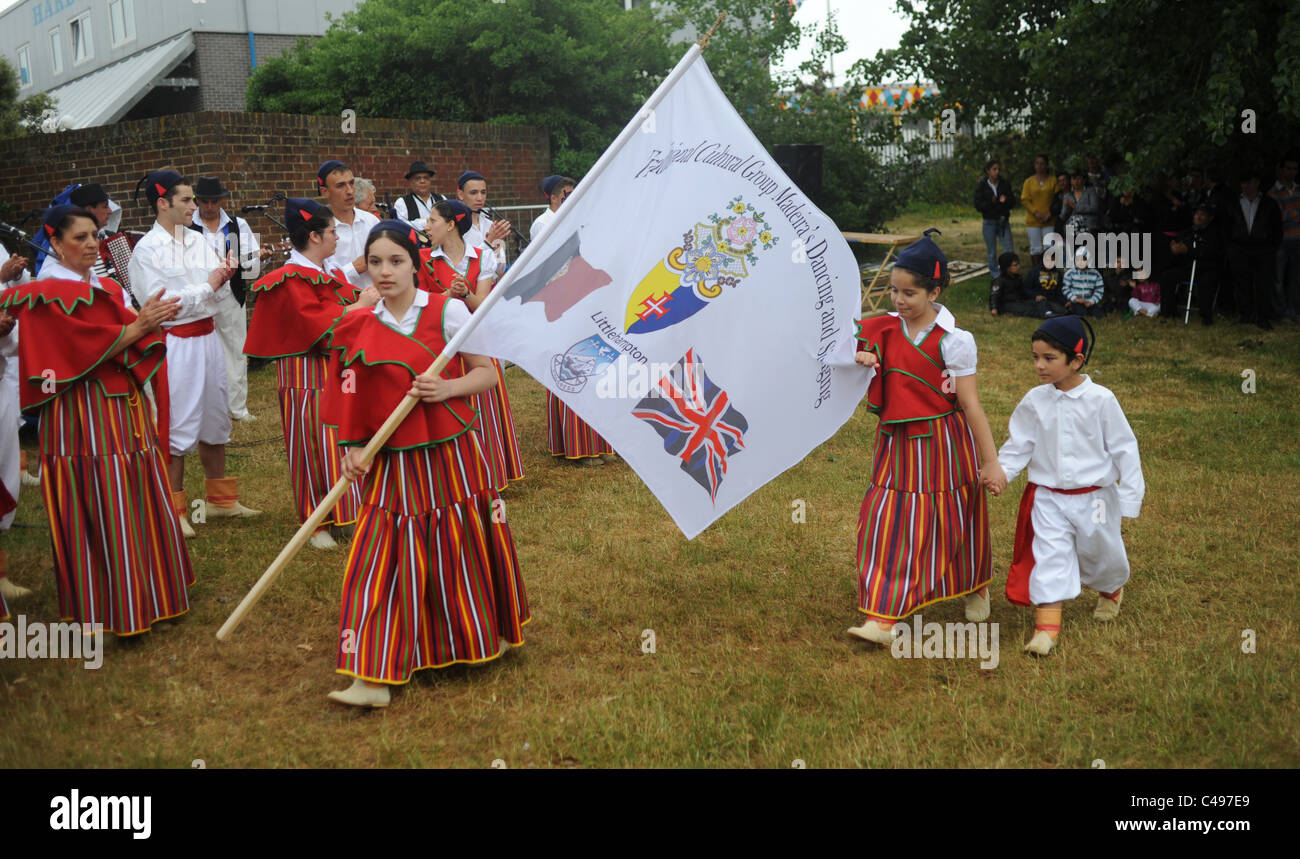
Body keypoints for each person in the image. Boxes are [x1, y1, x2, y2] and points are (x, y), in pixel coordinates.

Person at [320, 220, 529, 708]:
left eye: (396, 261)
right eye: (375, 262)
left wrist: (446, 388)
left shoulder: (448, 312)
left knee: (459, 545)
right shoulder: (359, 324)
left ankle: (475, 636)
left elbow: (487, 376)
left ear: (416, 262)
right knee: (377, 559)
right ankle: (371, 676)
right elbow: (351, 396)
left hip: (449, 455)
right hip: (389, 462)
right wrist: (352, 447)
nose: (385, 271)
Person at [2, 205, 196, 635]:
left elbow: (128, 334)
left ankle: (153, 589)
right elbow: (75, 356)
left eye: (94, 235)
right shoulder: (47, 293)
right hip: (81, 417)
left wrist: (146, 323)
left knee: (137, 495)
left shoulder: (104, 284)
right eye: (80, 238)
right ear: (55, 243)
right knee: (103, 500)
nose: (92, 244)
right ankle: (112, 604)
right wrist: (138, 327)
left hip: (122, 407)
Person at [846, 229, 1003, 645]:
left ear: (935, 291)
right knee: (887, 519)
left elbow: (970, 405)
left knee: (956, 512)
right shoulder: (882, 328)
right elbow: (861, 347)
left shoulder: (955, 341)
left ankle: (974, 583)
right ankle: (883, 616)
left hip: (943, 442)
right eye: (894, 290)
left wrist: (990, 462)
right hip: (895, 444)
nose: (898, 300)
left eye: (910, 293)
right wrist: (863, 356)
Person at [996, 315, 1143, 656]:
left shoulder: (1102, 400)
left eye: (1049, 358)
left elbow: (1125, 447)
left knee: (1102, 554)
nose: (1039, 366)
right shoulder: (1035, 400)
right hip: (1048, 498)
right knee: (1050, 557)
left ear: (1076, 360)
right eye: (1035, 357)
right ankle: (1046, 630)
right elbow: (1021, 444)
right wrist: (1002, 472)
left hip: (1096, 499)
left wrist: (1130, 497)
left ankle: (1111, 588)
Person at [127, 169, 261, 538]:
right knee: (176, 424)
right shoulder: (146, 250)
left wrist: (220, 278)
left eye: (191, 199)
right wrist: (208, 285)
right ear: (162, 203)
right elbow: (162, 307)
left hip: (207, 336)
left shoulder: (198, 241)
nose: (193, 206)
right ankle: (174, 507)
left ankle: (220, 500)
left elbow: (213, 294)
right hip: (175, 344)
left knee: (216, 418)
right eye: (186, 200)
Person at [244, 198, 375, 549]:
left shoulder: (327, 273)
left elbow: (345, 300)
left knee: (337, 438)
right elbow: (318, 326)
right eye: (332, 231)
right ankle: (315, 521)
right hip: (304, 372)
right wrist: (360, 306)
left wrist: (366, 300)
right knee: (309, 443)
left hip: (332, 368)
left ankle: (343, 512)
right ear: (315, 236)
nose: (336, 237)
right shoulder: (288, 278)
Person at [419, 199, 524, 489]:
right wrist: (446, 295)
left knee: (484, 407)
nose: (427, 226)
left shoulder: (482, 257)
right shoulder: (424, 259)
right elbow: (422, 304)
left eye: (432, 220)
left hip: (479, 341)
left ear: (451, 225)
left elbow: (483, 307)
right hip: (444, 346)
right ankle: (460, 475)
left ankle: (490, 474)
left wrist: (464, 293)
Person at [190, 176, 261, 423]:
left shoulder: (237, 225)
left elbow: (252, 267)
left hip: (231, 293)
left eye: (214, 201)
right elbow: (181, 266)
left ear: (221, 200)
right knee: (202, 354)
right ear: (196, 200)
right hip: (200, 296)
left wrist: (254, 259)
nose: (209, 206)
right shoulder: (186, 226)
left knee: (236, 350)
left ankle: (238, 409)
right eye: (204, 201)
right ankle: (207, 409)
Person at [1226, 166, 1284, 329]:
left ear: (1257, 183)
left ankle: (1262, 317)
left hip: (1263, 249)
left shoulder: (1268, 203)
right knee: (1242, 284)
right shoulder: (1234, 203)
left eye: (1249, 183)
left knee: (1263, 284)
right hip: (1240, 248)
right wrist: (1231, 247)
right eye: (1243, 183)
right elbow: (1227, 227)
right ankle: (1245, 314)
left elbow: (1277, 228)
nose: (1246, 186)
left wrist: (1271, 246)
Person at [318, 160, 382, 290]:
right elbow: (319, 279)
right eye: (340, 186)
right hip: (343, 304)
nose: (350, 191)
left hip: (379, 302)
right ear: (325, 191)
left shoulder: (372, 221)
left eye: (351, 183)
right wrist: (354, 268)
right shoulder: (319, 230)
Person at [1159, 202, 1225, 324]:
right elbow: (1179, 245)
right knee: (1167, 276)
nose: (1199, 217)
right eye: (1197, 214)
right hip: (1188, 268)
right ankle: (1169, 311)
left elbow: (1211, 252)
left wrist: (1188, 250)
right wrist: (1175, 248)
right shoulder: (1187, 232)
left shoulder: (1214, 234)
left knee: (1207, 282)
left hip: (1206, 269)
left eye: (1203, 215)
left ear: (1209, 218)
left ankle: (1206, 316)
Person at [457, 170, 511, 280]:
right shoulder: (455, 227)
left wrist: (498, 246)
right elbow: (463, 266)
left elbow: (500, 269)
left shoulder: (490, 224)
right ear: (460, 194)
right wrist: (489, 241)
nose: (480, 198)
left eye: (483, 192)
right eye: (473, 193)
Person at [1268, 152, 1300, 322]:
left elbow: (1286, 214)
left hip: (1298, 239)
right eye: (1288, 168)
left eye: (1294, 169)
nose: (1291, 172)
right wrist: (1294, 214)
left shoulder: (1298, 189)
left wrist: (1289, 214)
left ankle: (1293, 311)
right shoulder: (1274, 192)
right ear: (1281, 170)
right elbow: (1278, 216)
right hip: (1281, 240)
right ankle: (1280, 312)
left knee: (1295, 279)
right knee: (1278, 279)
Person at [973, 159, 1016, 279]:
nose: (997, 172)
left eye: (998, 169)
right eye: (994, 169)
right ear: (988, 171)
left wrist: (1005, 200)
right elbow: (978, 205)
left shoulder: (1004, 183)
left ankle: (1009, 271)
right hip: (989, 221)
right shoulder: (982, 186)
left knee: (1008, 248)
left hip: (1003, 220)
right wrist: (990, 202)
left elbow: (1013, 201)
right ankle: (995, 274)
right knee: (992, 251)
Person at [1020, 155, 1057, 267]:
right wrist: (1035, 212)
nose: (1039, 166)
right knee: (1036, 248)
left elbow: (1058, 199)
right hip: (1033, 220)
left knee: (1049, 247)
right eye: (1037, 163)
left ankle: (1050, 270)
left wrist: (1049, 214)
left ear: (1046, 165)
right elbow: (1025, 199)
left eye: (1042, 163)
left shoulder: (1053, 180)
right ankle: (1036, 271)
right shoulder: (1029, 182)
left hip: (1049, 220)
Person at [989, 251, 1045, 318]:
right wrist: (994, 308)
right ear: (1007, 267)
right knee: (1027, 310)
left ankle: (1049, 313)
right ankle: (1045, 316)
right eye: (1015, 265)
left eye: (1018, 264)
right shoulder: (999, 280)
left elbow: (1023, 291)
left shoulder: (1018, 277)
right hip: (1007, 304)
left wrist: (1035, 297)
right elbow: (994, 295)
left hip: (1019, 301)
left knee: (1040, 303)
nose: (1018, 267)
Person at [392, 160, 437, 229]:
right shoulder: (402, 203)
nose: (422, 181)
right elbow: (400, 227)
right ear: (411, 182)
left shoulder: (442, 199)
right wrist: (425, 222)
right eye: (418, 178)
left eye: (426, 178)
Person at [1063, 246, 1106, 317]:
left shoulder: (1095, 274)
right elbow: (1065, 288)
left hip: (1089, 301)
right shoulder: (1070, 273)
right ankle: (1073, 310)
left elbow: (1099, 290)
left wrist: (1091, 301)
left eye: (1083, 260)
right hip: (1076, 301)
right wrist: (1074, 299)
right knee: (1081, 313)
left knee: (1099, 315)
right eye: (1078, 260)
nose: (1080, 262)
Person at [530, 175, 575, 242]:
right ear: (554, 199)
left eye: (574, 194)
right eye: (568, 195)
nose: (573, 198)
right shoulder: (542, 224)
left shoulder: (572, 218)